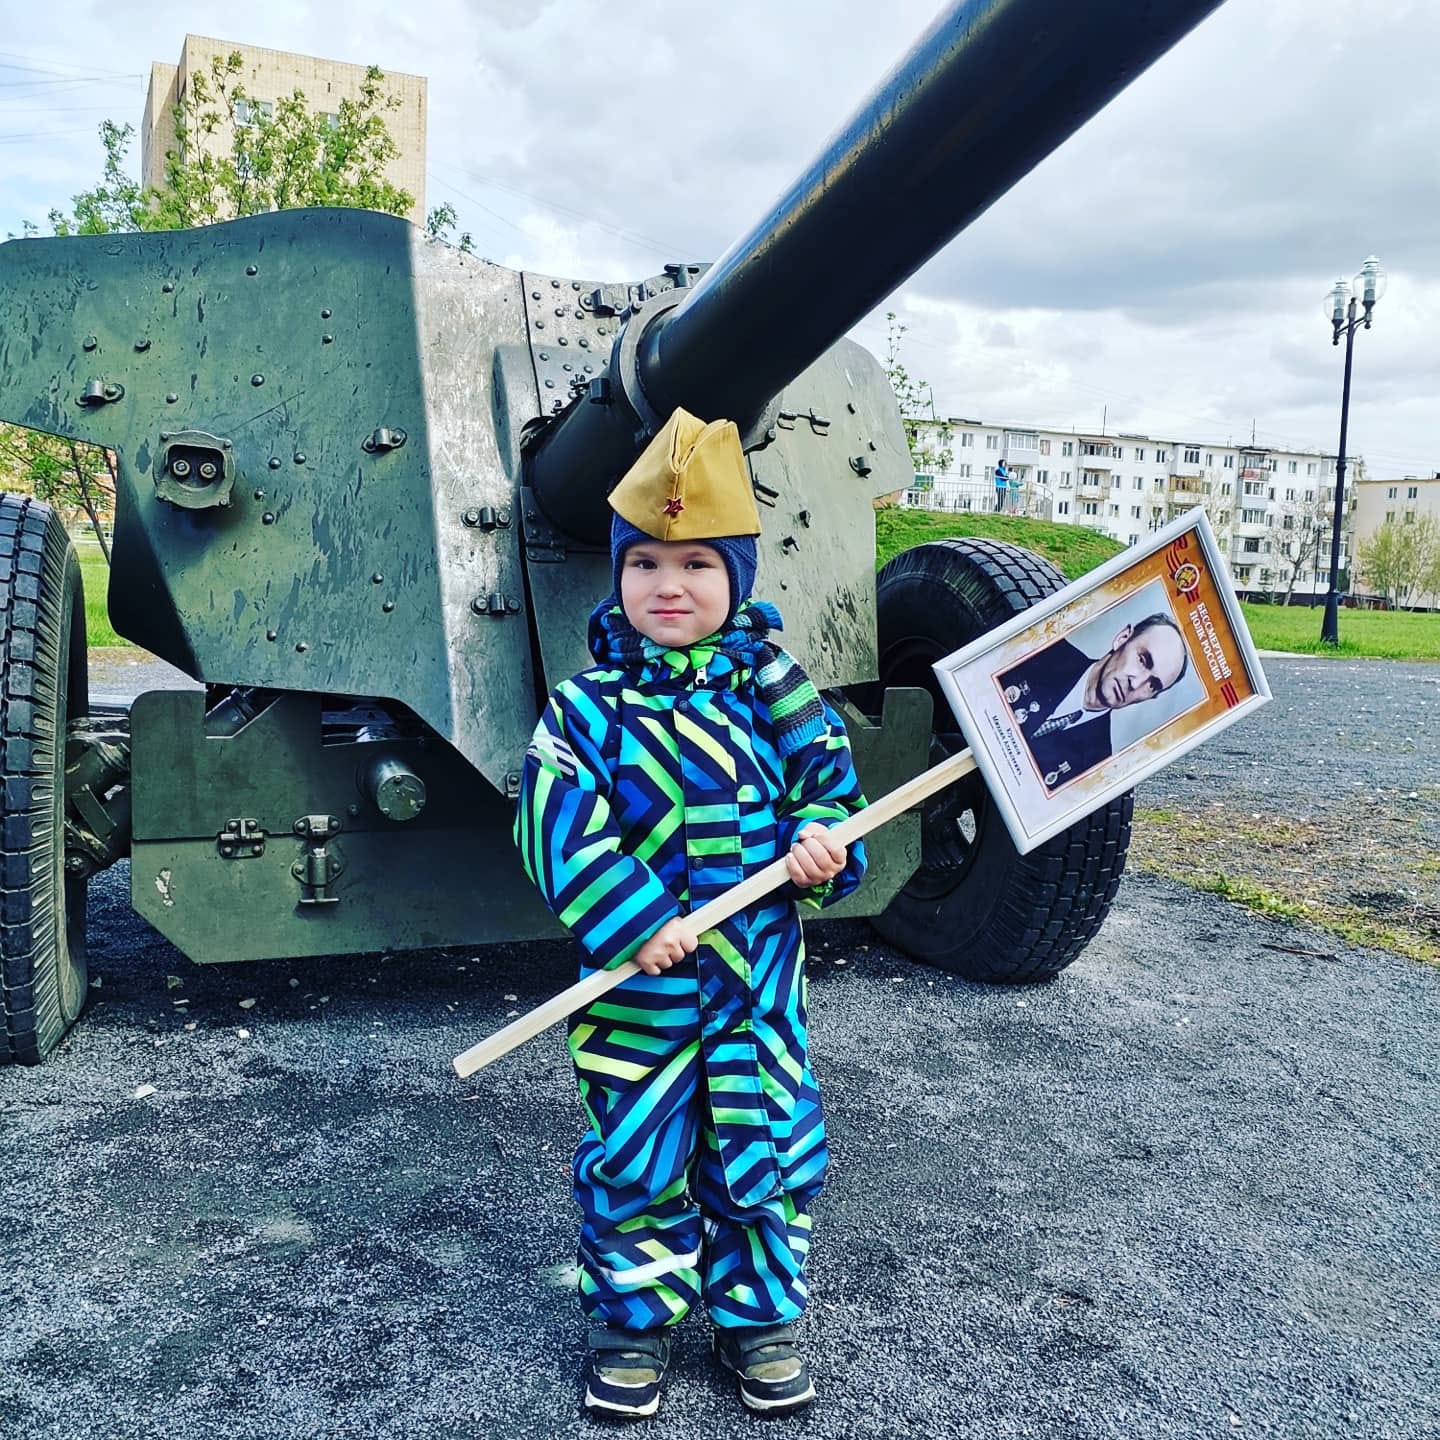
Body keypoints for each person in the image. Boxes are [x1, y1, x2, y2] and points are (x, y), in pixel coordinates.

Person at [514, 406, 868, 1420]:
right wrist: (634, 918)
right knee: (637, 1153)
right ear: (618, 576)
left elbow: (833, 792)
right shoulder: (585, 709)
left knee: (765, 1146)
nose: (669, 586)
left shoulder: (779, 694)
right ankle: (632, 1324)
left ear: (738, 578)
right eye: (645, 565)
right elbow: (552, 826)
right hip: (641, 1000)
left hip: (757, 993)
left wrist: (822, 844)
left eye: (698, 564)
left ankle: (758, 1318)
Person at [998, 612, 1189, 790]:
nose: (1136, 683)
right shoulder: (1041, 648)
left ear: (1152, 697)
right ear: (1122, 638)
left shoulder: (1096, 765)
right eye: (1142, 660)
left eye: (1153, 685)